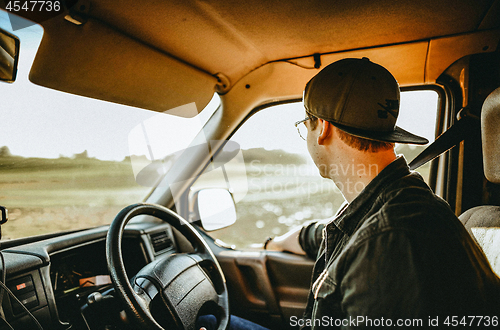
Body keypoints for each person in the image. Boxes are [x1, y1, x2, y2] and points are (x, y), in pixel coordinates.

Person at [199, 58, 500, 329]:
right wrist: (272, 243)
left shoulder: (388, 242)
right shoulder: (390, 202)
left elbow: (370, 242)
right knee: (212, 321)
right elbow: (323, 235)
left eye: (306, 125)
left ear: (323, 129)